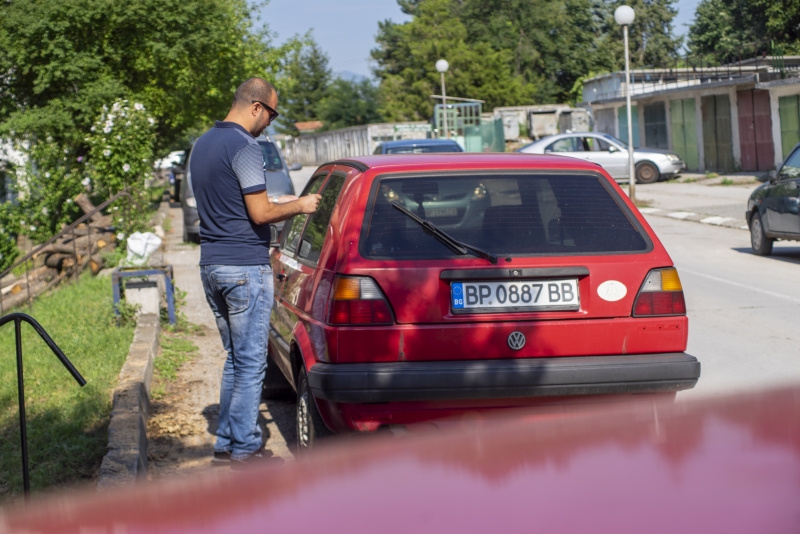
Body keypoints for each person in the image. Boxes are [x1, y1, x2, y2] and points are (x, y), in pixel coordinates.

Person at [189, 78, 321, 468]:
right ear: (256, 107)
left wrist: (276, 201)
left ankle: (226, 443)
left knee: (235, 359)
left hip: (212, 264)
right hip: (244, 266)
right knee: (250, 364)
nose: (271, 123)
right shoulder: (245, 145)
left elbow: (235, 202)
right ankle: (246, 450)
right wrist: (299, 205)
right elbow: (260, 214)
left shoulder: (203, 144)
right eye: (273, 114)